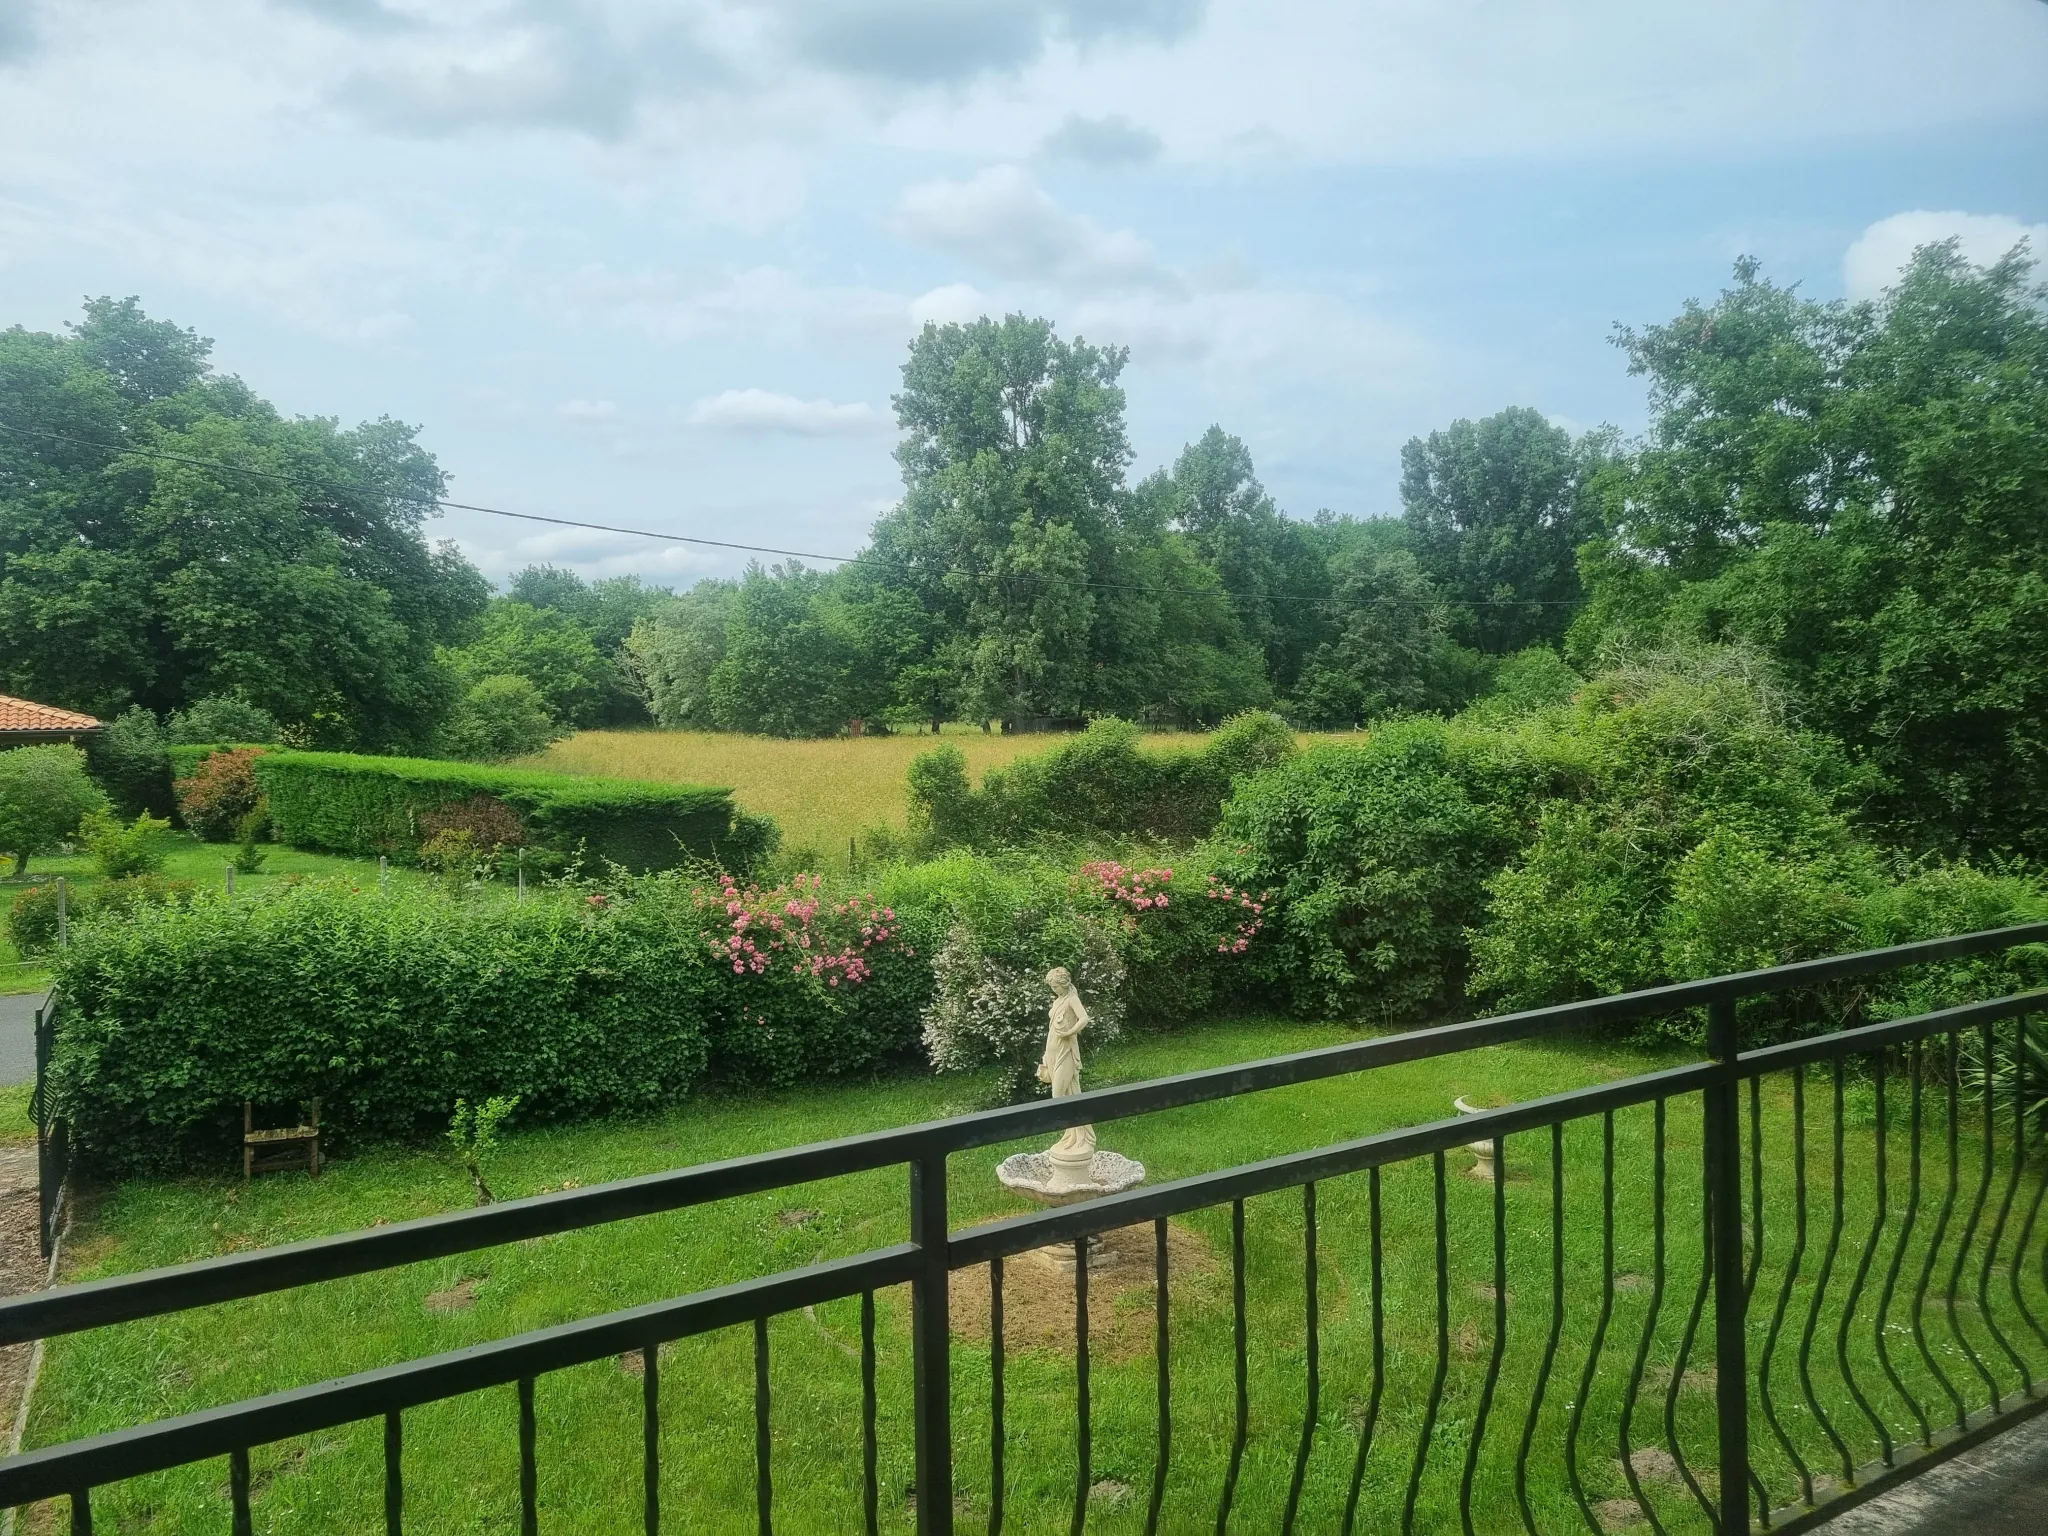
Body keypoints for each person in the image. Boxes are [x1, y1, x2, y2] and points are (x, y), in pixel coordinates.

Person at [1039, 967, 1095, 1159]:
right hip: (1053, 1051)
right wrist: (1046, 1054)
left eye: (1056, 986)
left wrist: (1070, 1032)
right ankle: (1072, 1134)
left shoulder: (1071, 999)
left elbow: (1084, 1018)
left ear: (1063, 984)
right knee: (1070, 1093)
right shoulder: (1058, 1000)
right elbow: (1051, 1029)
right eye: (1052, 986)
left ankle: (1081, 1135)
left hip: (1067, 1052)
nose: (1054, 989)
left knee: (1060, 1095)